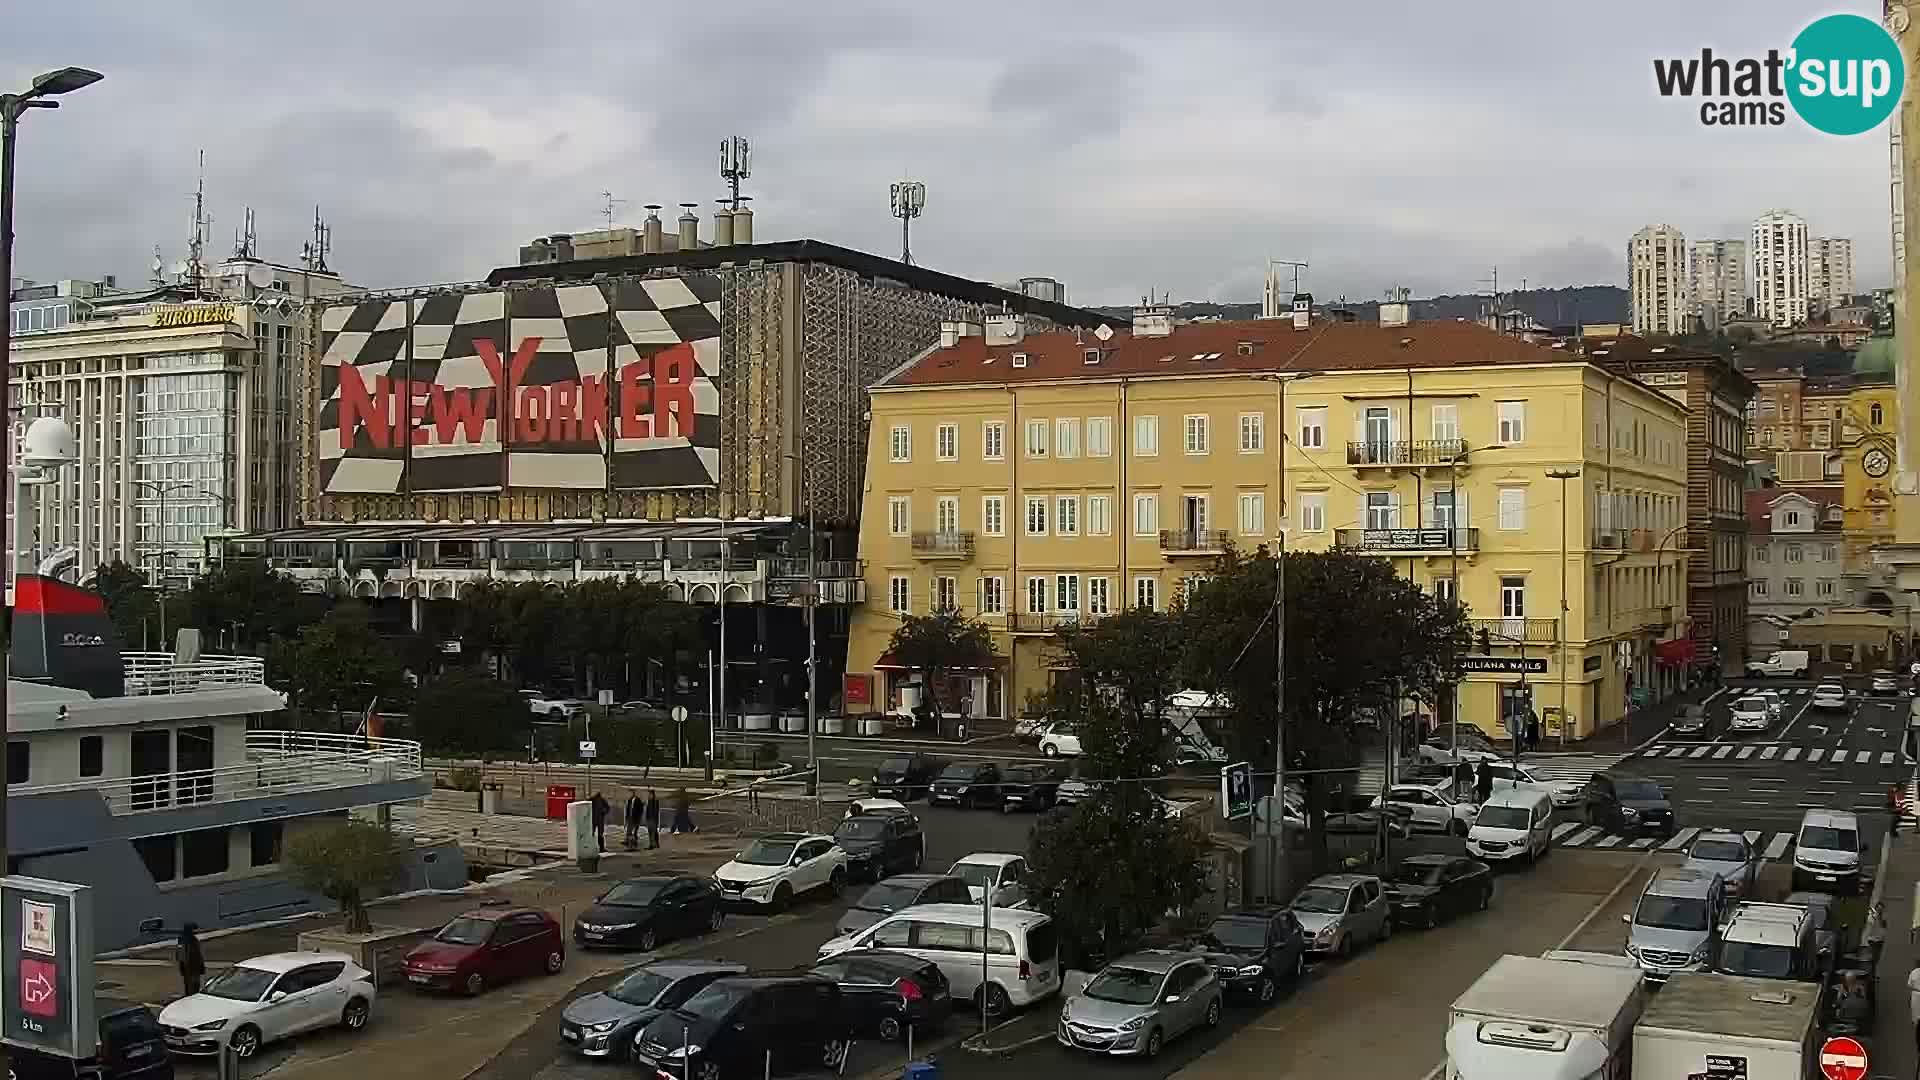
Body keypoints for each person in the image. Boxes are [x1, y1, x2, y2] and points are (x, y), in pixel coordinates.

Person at [176, 922, 205, 997]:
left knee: (194, 985)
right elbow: (181, 955)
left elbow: (199, 954)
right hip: (189, 967)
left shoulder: (192, 940)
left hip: (194, 967)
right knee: (191, 986)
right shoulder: (185, 941)